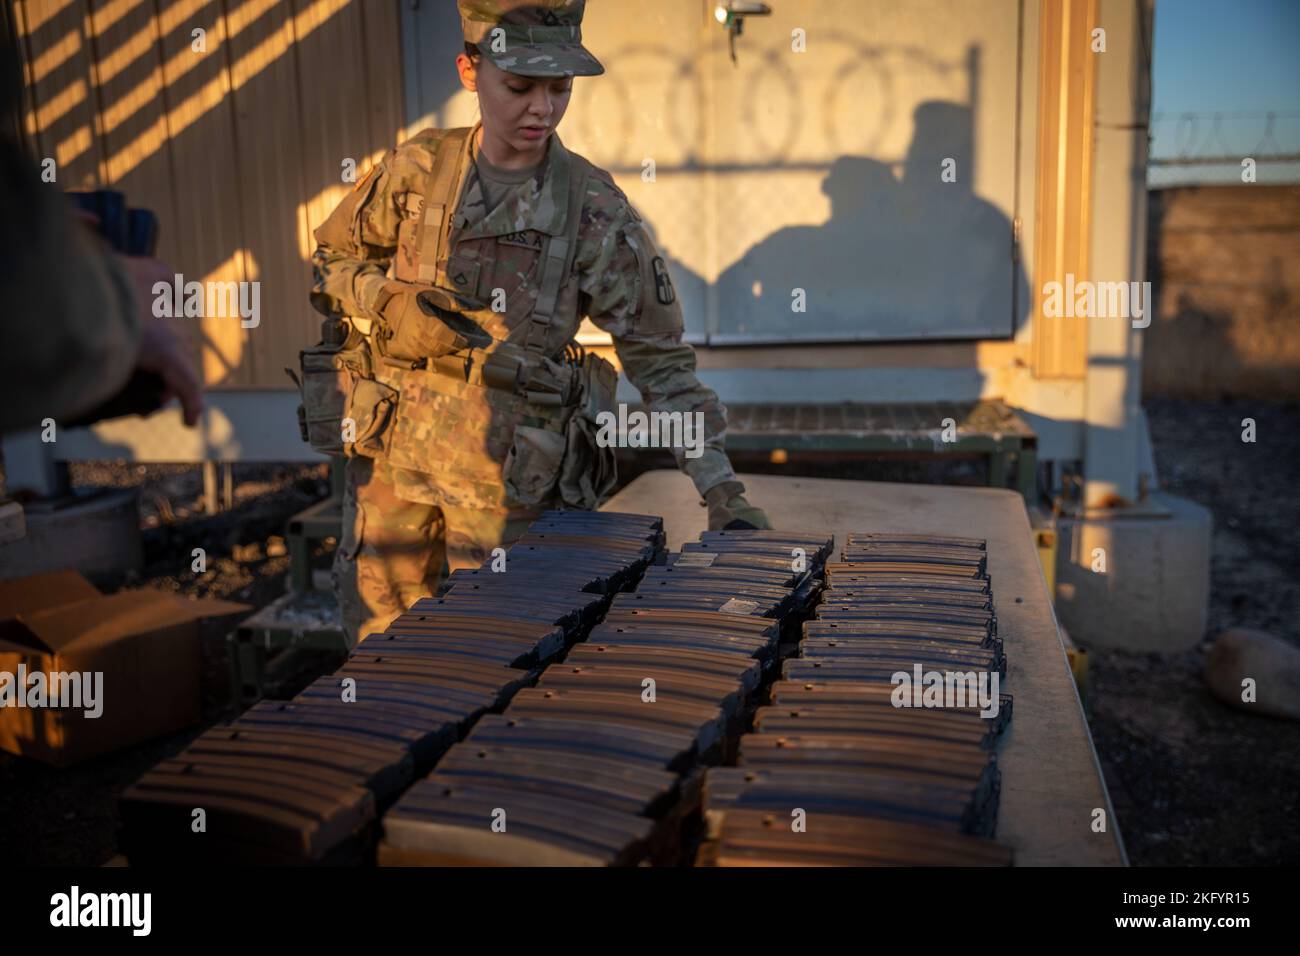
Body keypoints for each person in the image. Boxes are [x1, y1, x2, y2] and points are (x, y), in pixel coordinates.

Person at [309, 0, 770, 646]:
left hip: (509, 493)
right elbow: (330, 258)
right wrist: (385, 301)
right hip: (393, 479)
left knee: (501, 663)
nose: (542, 109)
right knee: (382, 671)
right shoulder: (416, 171)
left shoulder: (593, 210)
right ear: (469, 72)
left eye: (560, 88)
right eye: (520, 86)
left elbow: (660, 364)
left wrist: (721, 489)